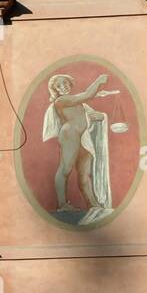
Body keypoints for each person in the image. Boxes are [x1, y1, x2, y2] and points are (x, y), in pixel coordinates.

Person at [42, 72, 119, 224]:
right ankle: (62, 204)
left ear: (70, 85)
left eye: (65, 83)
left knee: (84, 173)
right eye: (59, 85)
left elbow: (85, 113)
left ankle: (93, 205)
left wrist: (97, 116)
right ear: (55, 90)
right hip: (70, 134)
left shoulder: (78, 103)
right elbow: (87, 95)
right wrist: (98, 81)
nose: (62, 87)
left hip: (84, 136)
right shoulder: (62, 100)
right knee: (66, 168)